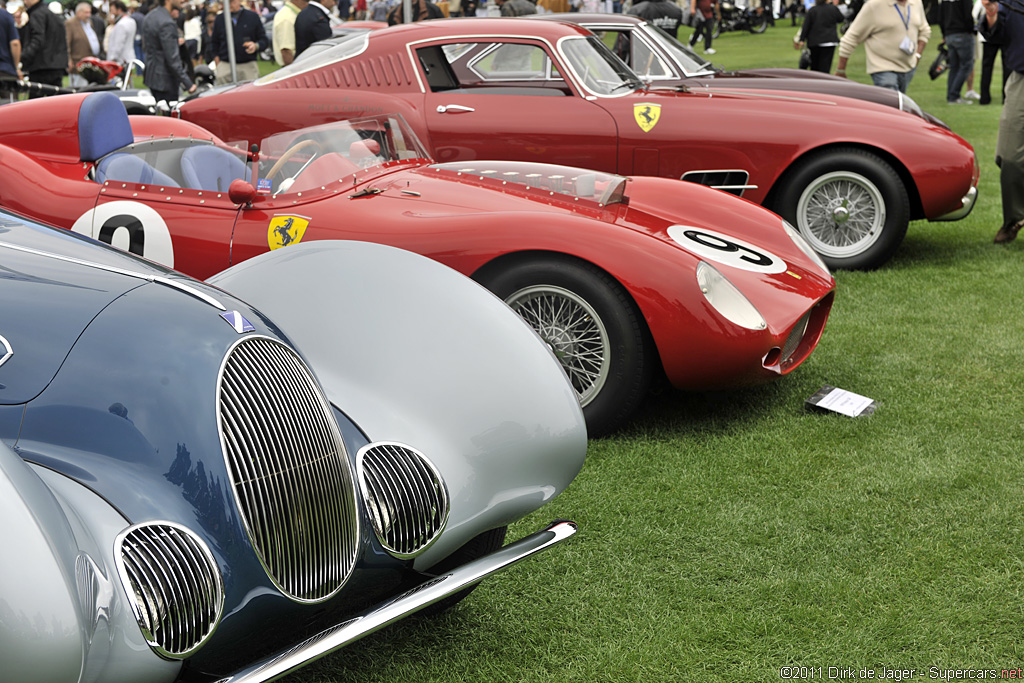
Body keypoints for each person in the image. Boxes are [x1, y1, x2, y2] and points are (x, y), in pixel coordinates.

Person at [979, 0, 1024, 243]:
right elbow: (993, 34)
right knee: (1008, 156)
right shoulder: (1010, 3)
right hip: (1021, 81)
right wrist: (991, 12)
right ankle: (1014, 218)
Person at [835, 0, 930, 93]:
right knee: (892, 104)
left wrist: (918, 55)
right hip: (883, 68)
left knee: (899, 104)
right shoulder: (874, 5)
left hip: (908, 67)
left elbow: (924, 30)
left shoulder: (916, 2)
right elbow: (851, 38)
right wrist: (840, 69)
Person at [142, 0, 196, 106]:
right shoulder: (167, 22)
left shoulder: (150, 16)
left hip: (152, 76)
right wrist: (188, 83)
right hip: (165, 80)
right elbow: (172, 59)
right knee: (169, 117)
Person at [210, 0, 268, 83]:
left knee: (249, 93)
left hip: (247, 64)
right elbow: (214, 42)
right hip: (226, 64)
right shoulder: (220, 18)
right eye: (226, 2)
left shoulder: (252, 17)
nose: (229, 4)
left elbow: (264, 40)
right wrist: (218, 62)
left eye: (232, 1)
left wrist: (255, 46)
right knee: (223, 93)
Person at [18, 0, 68, 96]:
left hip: (41, 67)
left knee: (36, 105)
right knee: (55, 102)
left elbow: (37, 40)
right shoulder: (52, 15)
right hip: (56, 65)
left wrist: (22, 57)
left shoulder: (37, 14)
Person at [939, 0, 976, 103]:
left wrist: (944, 33)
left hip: (949, 34)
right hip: (962, 33)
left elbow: (940, 17)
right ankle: (954, 95)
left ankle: (951, 96)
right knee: (966, 65)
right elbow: (968, 16)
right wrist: (972, 30)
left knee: (954, 67)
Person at [796, 0, 843, 73]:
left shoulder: (812, 10)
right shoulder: (833, 9)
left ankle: (815, 82)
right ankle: (825, 82)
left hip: (815, 41)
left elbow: (806, 26)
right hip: (829, 40)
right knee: (825, 66)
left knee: (814, 66)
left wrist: (802, 39)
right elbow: (841, 18)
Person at [66, 2, 102, 87]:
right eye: (86, 12)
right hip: (78, 62)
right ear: (79, 12)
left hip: (91, 62)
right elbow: (67, 43)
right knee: (80, 88)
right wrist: (69, 59)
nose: (89, 15)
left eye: (89, 12)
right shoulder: (70, 23)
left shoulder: (89, 22)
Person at [273, 0, 306, 65]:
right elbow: (286, 50)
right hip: (293, 66)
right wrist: (294, 71)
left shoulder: (291, 13)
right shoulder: (287, 17)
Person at [106, 0, 137, 68]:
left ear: (119, 10)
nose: (111, 13)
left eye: (112, 10)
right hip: (129, 57)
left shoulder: (121, 24)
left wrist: (112, 58)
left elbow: (118, 44)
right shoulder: (131, 21)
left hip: (121, 61)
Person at [0, 2, 20, 103]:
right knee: (10, 110)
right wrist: (16, 67)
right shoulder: (5, 15)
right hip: (5, 71)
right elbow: (15, 43)